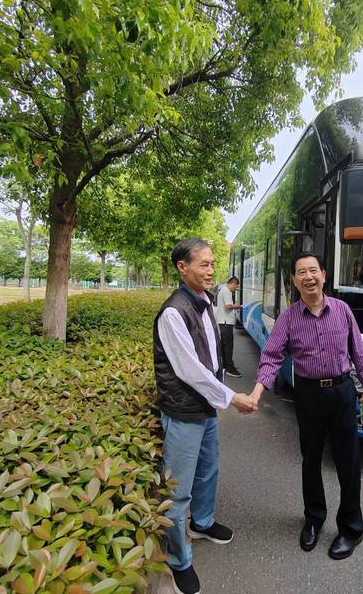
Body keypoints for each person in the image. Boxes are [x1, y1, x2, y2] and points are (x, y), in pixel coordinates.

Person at [250, 252, 363, 561]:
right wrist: (257, 392)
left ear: (323, 275)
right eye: (301, 272)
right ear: (294, 281)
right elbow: (271, 356)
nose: (308, 277)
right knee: (311, 460)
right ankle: (314, 519)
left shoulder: (342, 310)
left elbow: (357, 349)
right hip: (308, 395)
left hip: (342, 392)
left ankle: (351, 529)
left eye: (313, 270)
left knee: (348, 463)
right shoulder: (288, 318)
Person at [154, 238, 258, 594]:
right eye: (204, 264)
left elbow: (212, 359)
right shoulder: (173, 312)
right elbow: (189, 370)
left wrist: (220, 395)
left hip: (205, 408)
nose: (212, 270)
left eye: (213, 263)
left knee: (208, 471)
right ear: (182, 267)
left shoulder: (204, 301)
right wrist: (231, 398)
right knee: (178, 489)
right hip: (184, 411)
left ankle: (202, 523)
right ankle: (178, 560)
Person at [214, 276, 243, 377]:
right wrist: (238, 306)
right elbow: (228, 306)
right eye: (236, 286)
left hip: (223, 323)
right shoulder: (227, 291)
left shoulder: (222, 290)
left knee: (224, 346)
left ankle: (225, 366)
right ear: (233, 283)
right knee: (228, 346)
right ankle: (230, 368)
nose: (235, 289)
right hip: (226, 323)